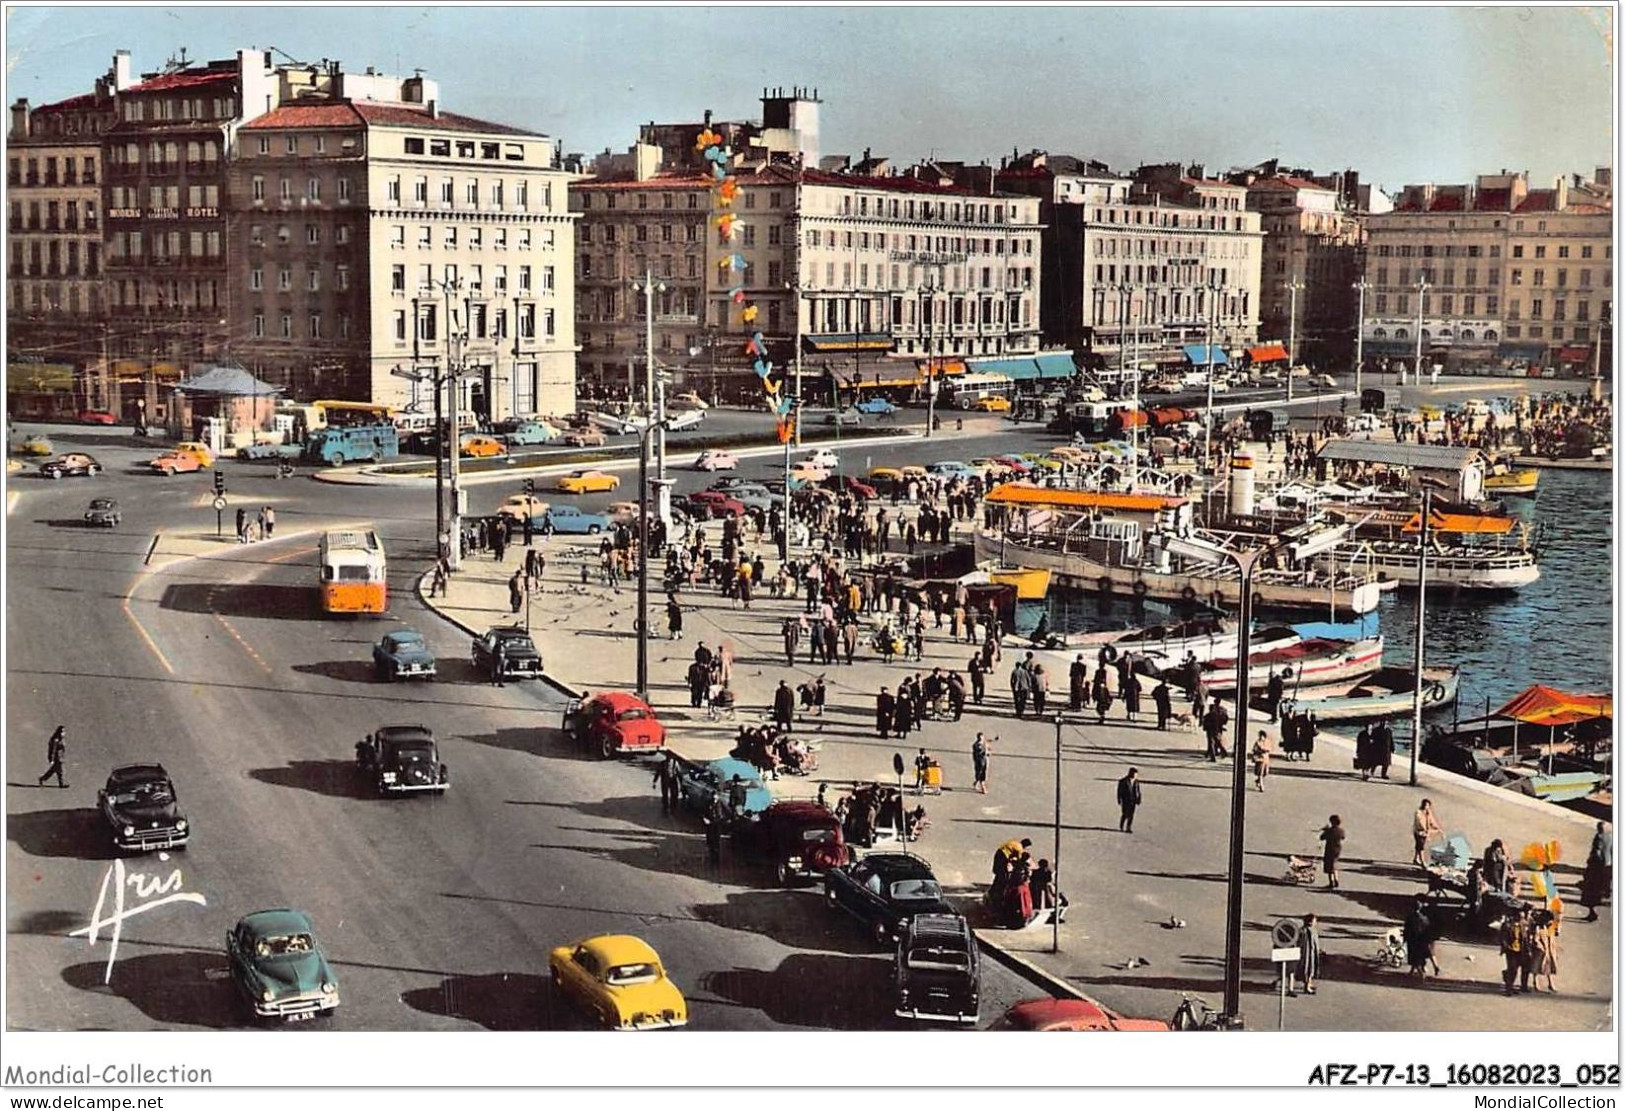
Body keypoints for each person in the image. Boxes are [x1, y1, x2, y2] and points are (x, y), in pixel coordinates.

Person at [1582, 821, 1612, 921]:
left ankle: (1592, 913)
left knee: (1590, 891)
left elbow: (1597, 852)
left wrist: (1590, 861)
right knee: (1600, 889)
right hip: (1607, 865)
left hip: (1596, 867)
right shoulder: (1611, 837)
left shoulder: (1599, 837)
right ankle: (1594, 911)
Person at [1500, 905, 1530, 995]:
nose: (1521, 919)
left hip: (1521, 950)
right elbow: (1502, 938)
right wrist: (1506, 947)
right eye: (1519, 917)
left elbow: (1525, 938)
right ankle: (1509, 989)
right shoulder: (1507, 925)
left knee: (1524, 968)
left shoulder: (1523, 925)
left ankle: (1521, 986)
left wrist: (1528, 949)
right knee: (1512, 969)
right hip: (1511, 950)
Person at [1403, 899, 1436, 981]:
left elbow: (1407, 929)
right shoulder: (1424, 918)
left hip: (1413, 940)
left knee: (1414, 958)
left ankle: (1421, 974)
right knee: (1420, 957)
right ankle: (1412, 972)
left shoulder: (1410, 917)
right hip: (1422, 940)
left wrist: (1405, 938)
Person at [1291, 913, 1321, 995]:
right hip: (1306, 953)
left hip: (1311, 953)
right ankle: (1307, 987)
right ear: (1310, 922)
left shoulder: (1312, 930)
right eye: (1314, 921)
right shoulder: (1305, 931)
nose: (1316, 922)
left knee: (1310, 969)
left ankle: (1308, 985)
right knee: (1307, 969)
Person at [1412, 799, 1444, 866]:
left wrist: (1437, 827)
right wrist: (1426, 829)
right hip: (1419, 832)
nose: (1427, 807)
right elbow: (1419, 822)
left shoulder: (1428, 813)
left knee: (1419, 846)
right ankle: (1422, 861)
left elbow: (1432, 821)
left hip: (1425, 833)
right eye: (1426, 805)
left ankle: (1415, 859)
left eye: (1428, 805)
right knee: (1421, 847)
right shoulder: (1418, 812)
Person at [1319, 814, 1345, 890]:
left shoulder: (1330, 831)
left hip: (1330, 849)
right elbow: (1343, 837)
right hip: (1338, 849)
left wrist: (1325, 830)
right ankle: (1336, 879)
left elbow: (1322, 838)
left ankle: (1331, 882)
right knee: (1334, 864)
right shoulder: (1341, 830)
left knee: (1329, 866)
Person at [1116, 767, 1142, 833]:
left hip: (1133, 800)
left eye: (1136, 774)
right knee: (1125, 813)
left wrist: (1139, 799)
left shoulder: (1136, 782)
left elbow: (1138, 791)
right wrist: (1119, 799)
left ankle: (1128, 827)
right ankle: (1121, 826)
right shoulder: (1123, 781)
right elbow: (1119, 791)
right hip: (1125, 800)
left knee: (1131, 815)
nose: (1135, 776)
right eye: (1134, 774)